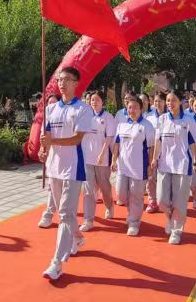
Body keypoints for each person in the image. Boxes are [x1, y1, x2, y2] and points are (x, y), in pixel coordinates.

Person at [40, 68, 93, 281]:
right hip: (54, 168)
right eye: (60, 80)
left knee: (64, 213)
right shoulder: (51, 109)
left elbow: (77, 139)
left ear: (76, 83)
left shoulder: (83, 109)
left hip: (73, 168)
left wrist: (52, 142)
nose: (62, 83)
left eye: (67, 80)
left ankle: (57, 263)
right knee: (67, 215)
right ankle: (77, 238)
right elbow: (47, 136)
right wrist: (44, 149)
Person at [151, 91, 196, 245]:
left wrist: (195, 161)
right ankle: (170, 218)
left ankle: (177, 230)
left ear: (180, 102)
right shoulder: (162, 119)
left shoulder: (188, 120)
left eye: (173, 100)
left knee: (179, 201)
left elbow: (193, 143)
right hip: (164, 165)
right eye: (168, 100)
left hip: (182, 165)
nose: (170, 103)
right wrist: (154, 158)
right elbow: (158, 141)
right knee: (161, 200)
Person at [111, 97, 155, 236]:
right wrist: (113, 160)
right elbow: (117, 144)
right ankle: (132, 213)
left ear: (141, 109)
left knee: (136, 196)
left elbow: (151, 147)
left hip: (139, 167)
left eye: (135, 107)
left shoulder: (147, 126)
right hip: (123, 167)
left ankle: (134, 222)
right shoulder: (122, 125)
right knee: (121, 195)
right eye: (130, 107)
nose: (132, 110)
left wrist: (150, 165)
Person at [79, 91, 115, 232]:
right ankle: (88, 220)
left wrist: (103, 153)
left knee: (104, 187)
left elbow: (109, 137)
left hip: (102, 159)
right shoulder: (85, 116)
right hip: (87, 158)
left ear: (102, 102)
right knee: (88, 190)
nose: (94, 102)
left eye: (97, 100)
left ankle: (109, 206)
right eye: (92, 100)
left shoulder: (108, 117)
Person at [37, 94, 60, 229]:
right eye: (49, 103)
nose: (51, 105)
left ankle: (65, 214)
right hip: (51, 158)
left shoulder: (64, 117)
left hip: (65, 159)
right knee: (52, 187)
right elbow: (43, 138)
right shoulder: (46, 119)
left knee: (62, 190)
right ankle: (48, 215)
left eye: (54, 103)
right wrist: (42, 150)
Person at [143, 92, 166, 213]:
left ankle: (166, 201)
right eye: (156, 101)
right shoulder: (149, 117)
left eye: (160, 101)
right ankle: (152, 201)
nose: (158, 103)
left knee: (164, 179)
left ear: (165, 102)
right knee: (151, 177)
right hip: (151, 151)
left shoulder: (169, 116)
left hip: (166, 152)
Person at [114, 90, 138, 205]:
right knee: (121, 181)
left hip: (134, 152)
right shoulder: (119, 113)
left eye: (129, 98)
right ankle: (123, 196)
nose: (127, 101)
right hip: (122, 151)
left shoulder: (138, 113)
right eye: (125, 99)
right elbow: (115, 132)